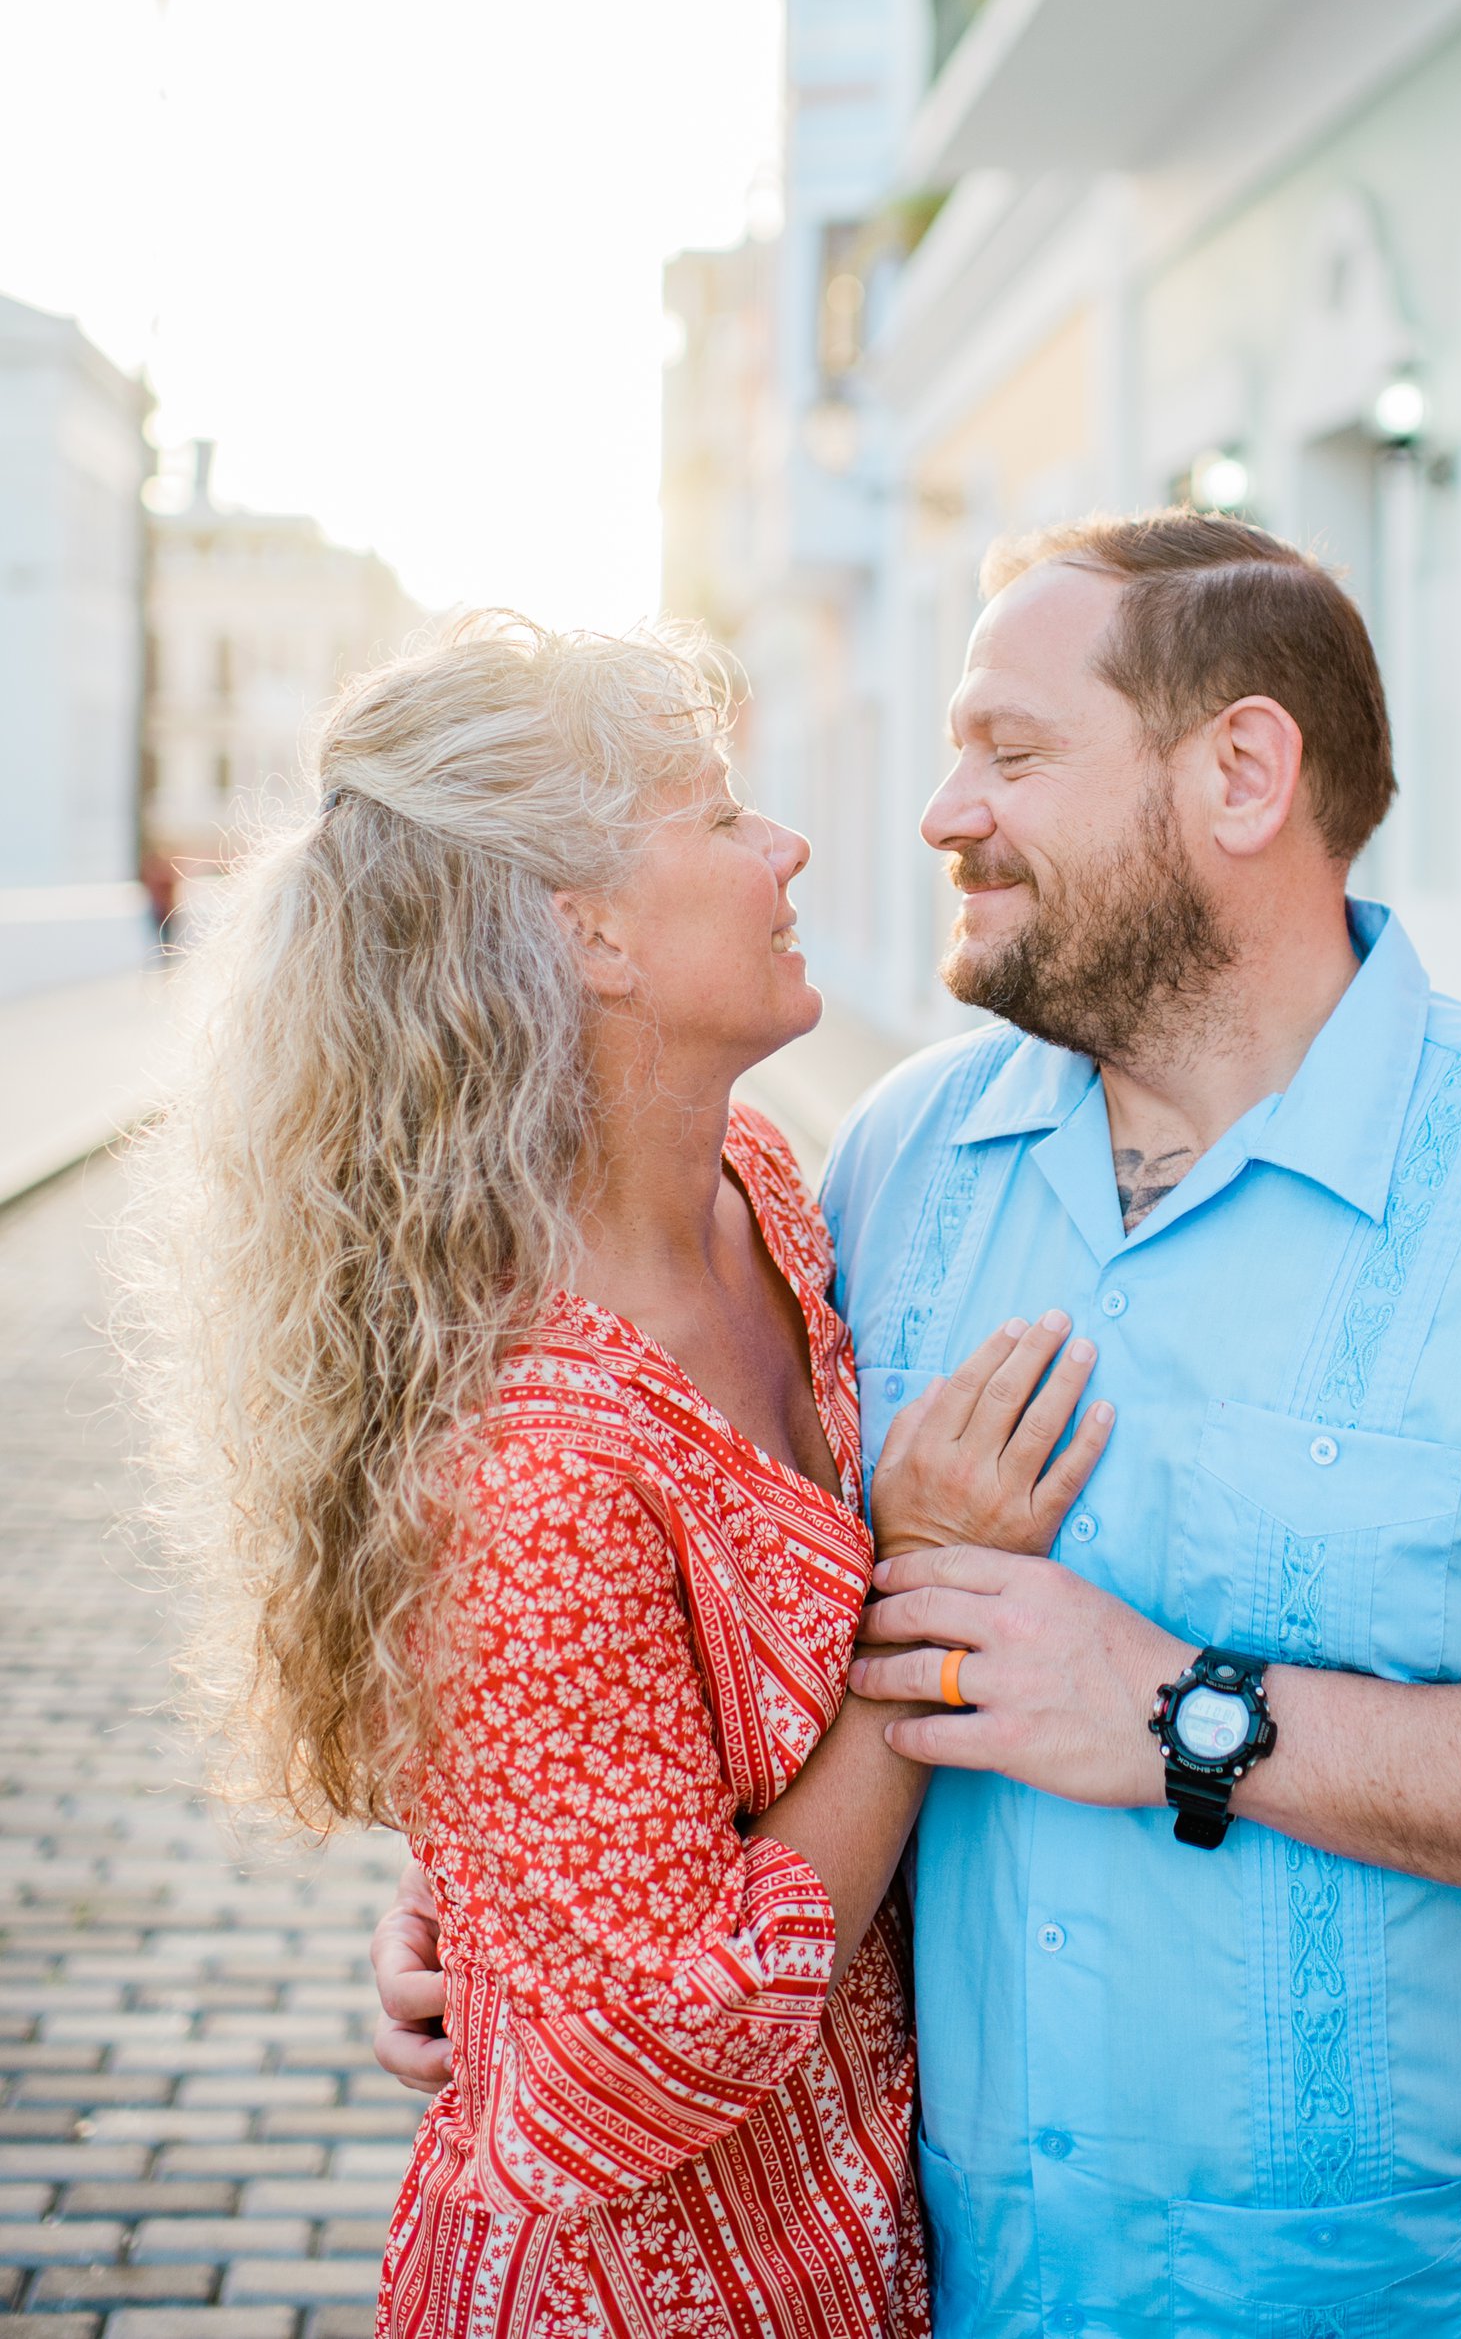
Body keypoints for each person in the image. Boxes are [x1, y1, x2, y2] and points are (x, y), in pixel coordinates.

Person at [375, 517, 1461, 2338]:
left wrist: (1188, 1718)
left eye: (1010, 752)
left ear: (1242, 772)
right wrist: (522, 1902)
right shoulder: (893, 1166)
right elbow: (701, 1608)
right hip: (979, 2295)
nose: (939, 812)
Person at [131, 613, 1116, 2339]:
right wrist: (923, 1593)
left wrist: (502, 1897)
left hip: (869, 2230)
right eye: (724, 816)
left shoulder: (759, 1182)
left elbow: (606, 1783)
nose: (791, 845)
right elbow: (626, 2069)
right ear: (584, 929)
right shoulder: (530, 1460)